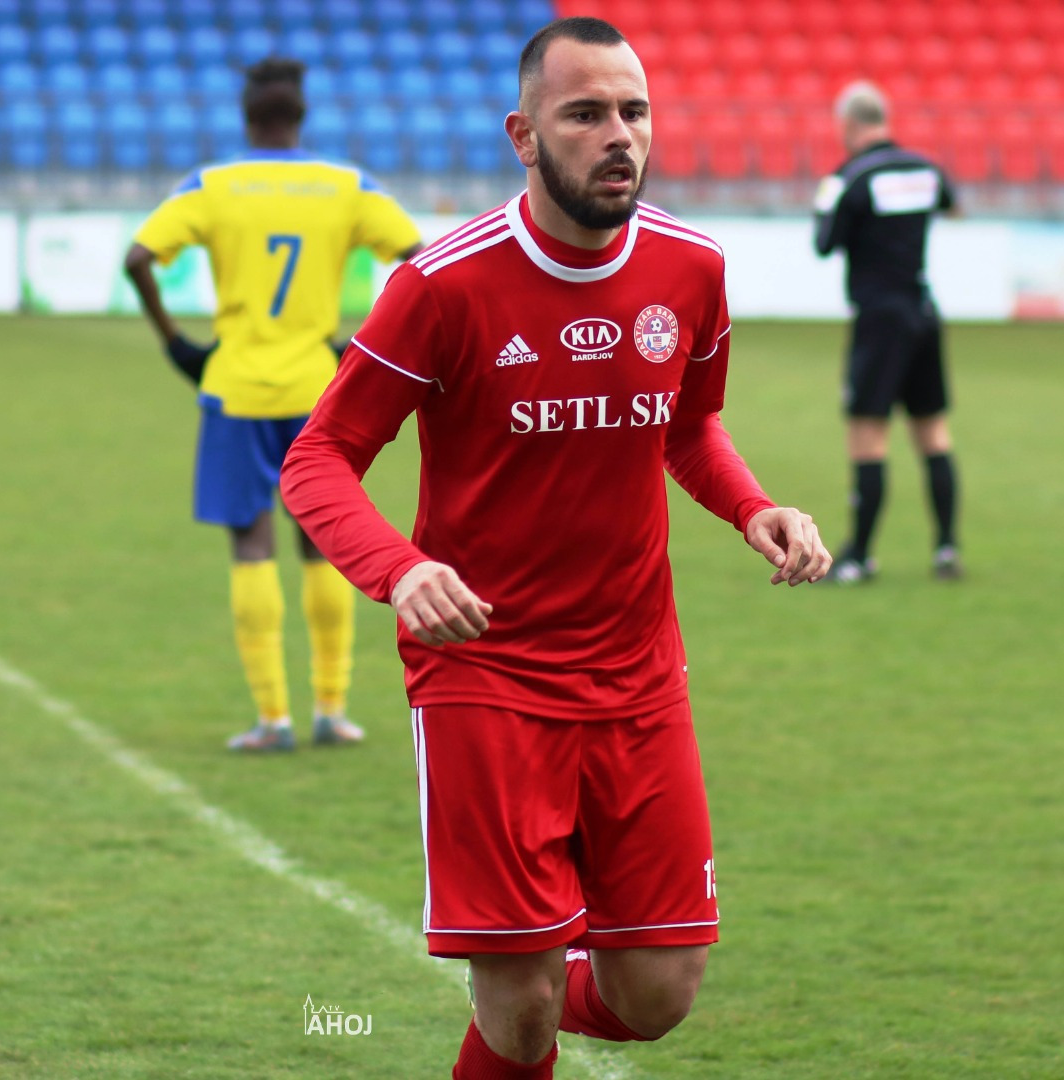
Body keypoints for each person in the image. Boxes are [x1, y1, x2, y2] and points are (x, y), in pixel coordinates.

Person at [279, 19, 831, 1078]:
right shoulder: (443, 285)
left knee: (657, 993)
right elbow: (319, 458)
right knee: (522, 1009)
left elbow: (688, 425)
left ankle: (520, 993)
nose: (618, 135)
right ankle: (517, 996)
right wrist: (403, 569)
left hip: (637, 673)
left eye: (633, 111)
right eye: (584, 114)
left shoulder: (691, 268)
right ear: (523, 137)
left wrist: (751, 507)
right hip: (485, 672)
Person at [123, 58, 423, 752]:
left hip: (236, 388)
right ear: (301, 116)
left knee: (250, 545)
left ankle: (272, 719)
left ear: (246, 116)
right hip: (318, 390)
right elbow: (418, 259)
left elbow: (137, 259)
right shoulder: (345, 185)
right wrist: (362, 342)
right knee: (321, 543)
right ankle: (333, 709)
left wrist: (177, 345)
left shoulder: (213, 185)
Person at [814, 81, 962, 584]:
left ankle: (859, 556)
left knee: (867, 433)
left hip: (879, 319)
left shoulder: (849, 177)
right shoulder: (925, 168)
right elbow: (951, 205)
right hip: (922, 310)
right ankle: (946, 548)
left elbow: (824, 243)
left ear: (848, 125)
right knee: (933, 431)